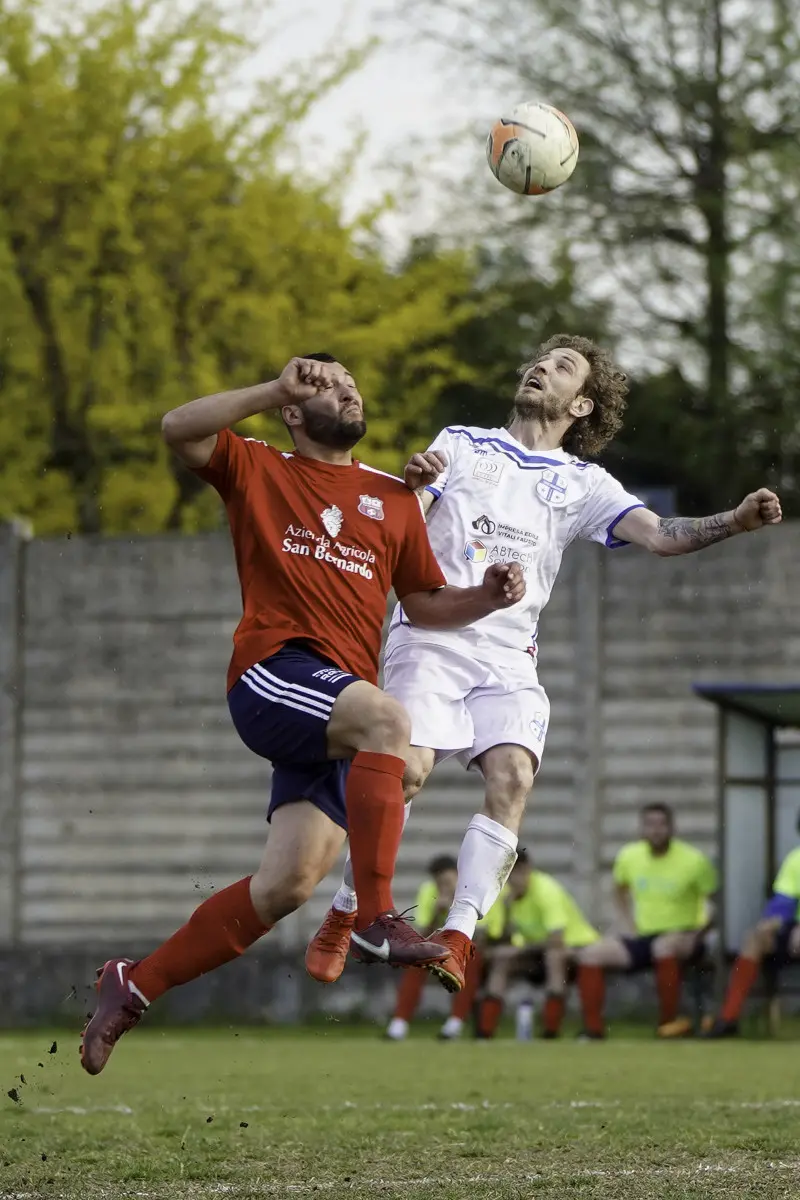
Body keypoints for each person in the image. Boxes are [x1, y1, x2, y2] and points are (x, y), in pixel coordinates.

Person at [80, 354, 526, 1076]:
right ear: (294, 410)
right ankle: (377, 919)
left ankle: (131, 986)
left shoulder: (392, 495)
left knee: (286, 886)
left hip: (335, 709)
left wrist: (488, 596)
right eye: (329, 384)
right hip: (274, 671)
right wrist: (270, 389)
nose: (348, 390)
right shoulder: (259, 465)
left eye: (355, 383)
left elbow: (423, 604)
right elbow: (176, 429)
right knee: (391, 724)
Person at [306, 333, 782, 996]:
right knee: (406, 775)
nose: (540, 368)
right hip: (433, 635)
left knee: (512, 777)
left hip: (509, 658)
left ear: (581, 405)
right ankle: (346, 911)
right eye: (539, 359)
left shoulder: (583, 484)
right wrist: (412, 486)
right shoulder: (464, 442)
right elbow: (406, 510)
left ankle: (459, 937)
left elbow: (661, 537)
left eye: (561, 368)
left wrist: (733, 520)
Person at [576, 804, 717, 1038]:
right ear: (642, 829)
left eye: (662, 825)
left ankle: (667, 1025)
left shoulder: (694, 860)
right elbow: (619, 890)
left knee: (663, 946)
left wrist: (699, 932)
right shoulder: (629, 856)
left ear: (672, 829)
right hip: (644, 935)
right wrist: (627, 923)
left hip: (682, 935)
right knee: (591, 954)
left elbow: (716, 901)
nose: (656, 831)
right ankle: (592, 1030)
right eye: (650, 825)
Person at [474, 850, 599, 1039]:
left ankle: (551, 1031)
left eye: (516, 873)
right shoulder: (504, 894)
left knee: (554, 959)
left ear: (527, 870)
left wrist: (521, 949)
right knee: (502, 961)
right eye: (507, 874)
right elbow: (500, 938)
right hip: (538, 951)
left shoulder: (545, 889)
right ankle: (484, 1032)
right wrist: (507, 912)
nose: (512, 880)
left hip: (576, 947)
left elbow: (557, 940)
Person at [705, 826, 800, 1037]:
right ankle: (729, 1019)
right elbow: (782, 905)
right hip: (795, 930)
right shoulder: (796, 860)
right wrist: (768, 925)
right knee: (755, 938)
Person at [385, 855, 483, 1041]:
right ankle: (399, 1024)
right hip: (442, 950)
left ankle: (455, 1023)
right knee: (416, 961)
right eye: (440, 883)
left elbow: (485, 935)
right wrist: (437, 914)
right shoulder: (428, 892)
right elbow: (422, 936)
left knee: (472, 957)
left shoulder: (475, 893)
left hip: (471, 950)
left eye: (448, 882)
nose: (444, 888)